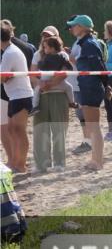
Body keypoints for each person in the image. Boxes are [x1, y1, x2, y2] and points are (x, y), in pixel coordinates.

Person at [66, 15, 109, 171]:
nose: (71, 28)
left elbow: (100, 66)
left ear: (83, 27)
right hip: (87, 86)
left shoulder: (89, 43)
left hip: (91, 87)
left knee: (94, 126)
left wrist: (106, 86)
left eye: (74, 25)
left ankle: (97, 161)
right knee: (92, 126)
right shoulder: (85, 43)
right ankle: (95, 160)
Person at [33, 36, 72, 173]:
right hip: (42, 95)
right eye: (43, 37)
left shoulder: (62, 55)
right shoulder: (38, 55)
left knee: (58, 129)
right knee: (39, 130)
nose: (45, 43)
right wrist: (41, 84)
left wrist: (49, 84)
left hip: (58, 94)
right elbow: (33, 73)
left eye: (49, 38)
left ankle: (59, 163)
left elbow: (64, 73)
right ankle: (41, 164)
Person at [0, 25, 33, 173]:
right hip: (15, 95)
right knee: (13, 130)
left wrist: (4, 78)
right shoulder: (8, 51)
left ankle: (21, 164)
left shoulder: (9, 53)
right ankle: (15, 162)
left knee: (19, 131)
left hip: (21, 95)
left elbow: (2, 78)